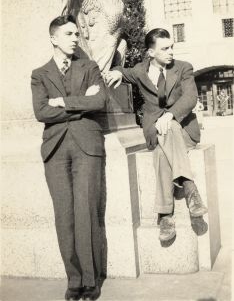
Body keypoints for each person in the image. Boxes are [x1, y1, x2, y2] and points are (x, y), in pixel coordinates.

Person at [103, 28, 207, 242]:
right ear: (151, 53)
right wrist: (116, 72)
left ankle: (165, 215)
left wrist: (169, 115)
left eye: (171, 47)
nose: (171, 52)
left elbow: (190, 97)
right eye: (165, 48)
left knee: (169, 134)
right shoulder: (141, 71)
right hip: (157, 133)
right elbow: (121, 70)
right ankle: (189, 188)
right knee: (162, 143)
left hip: (184, 131)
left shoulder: (183, 68)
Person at [31, 15, 106, 300]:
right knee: (64, 216)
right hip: (55, 150)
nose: (76, 37)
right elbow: (41, 112)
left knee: (86, 212)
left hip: (87, 146)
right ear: (54, 38)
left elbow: (99, 102)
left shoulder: (89, 67)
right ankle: (73, 280)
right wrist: (80, 103)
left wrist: (62, 102)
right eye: (70, 33)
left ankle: (91, 280)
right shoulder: (40, 74)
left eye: (77, 33)